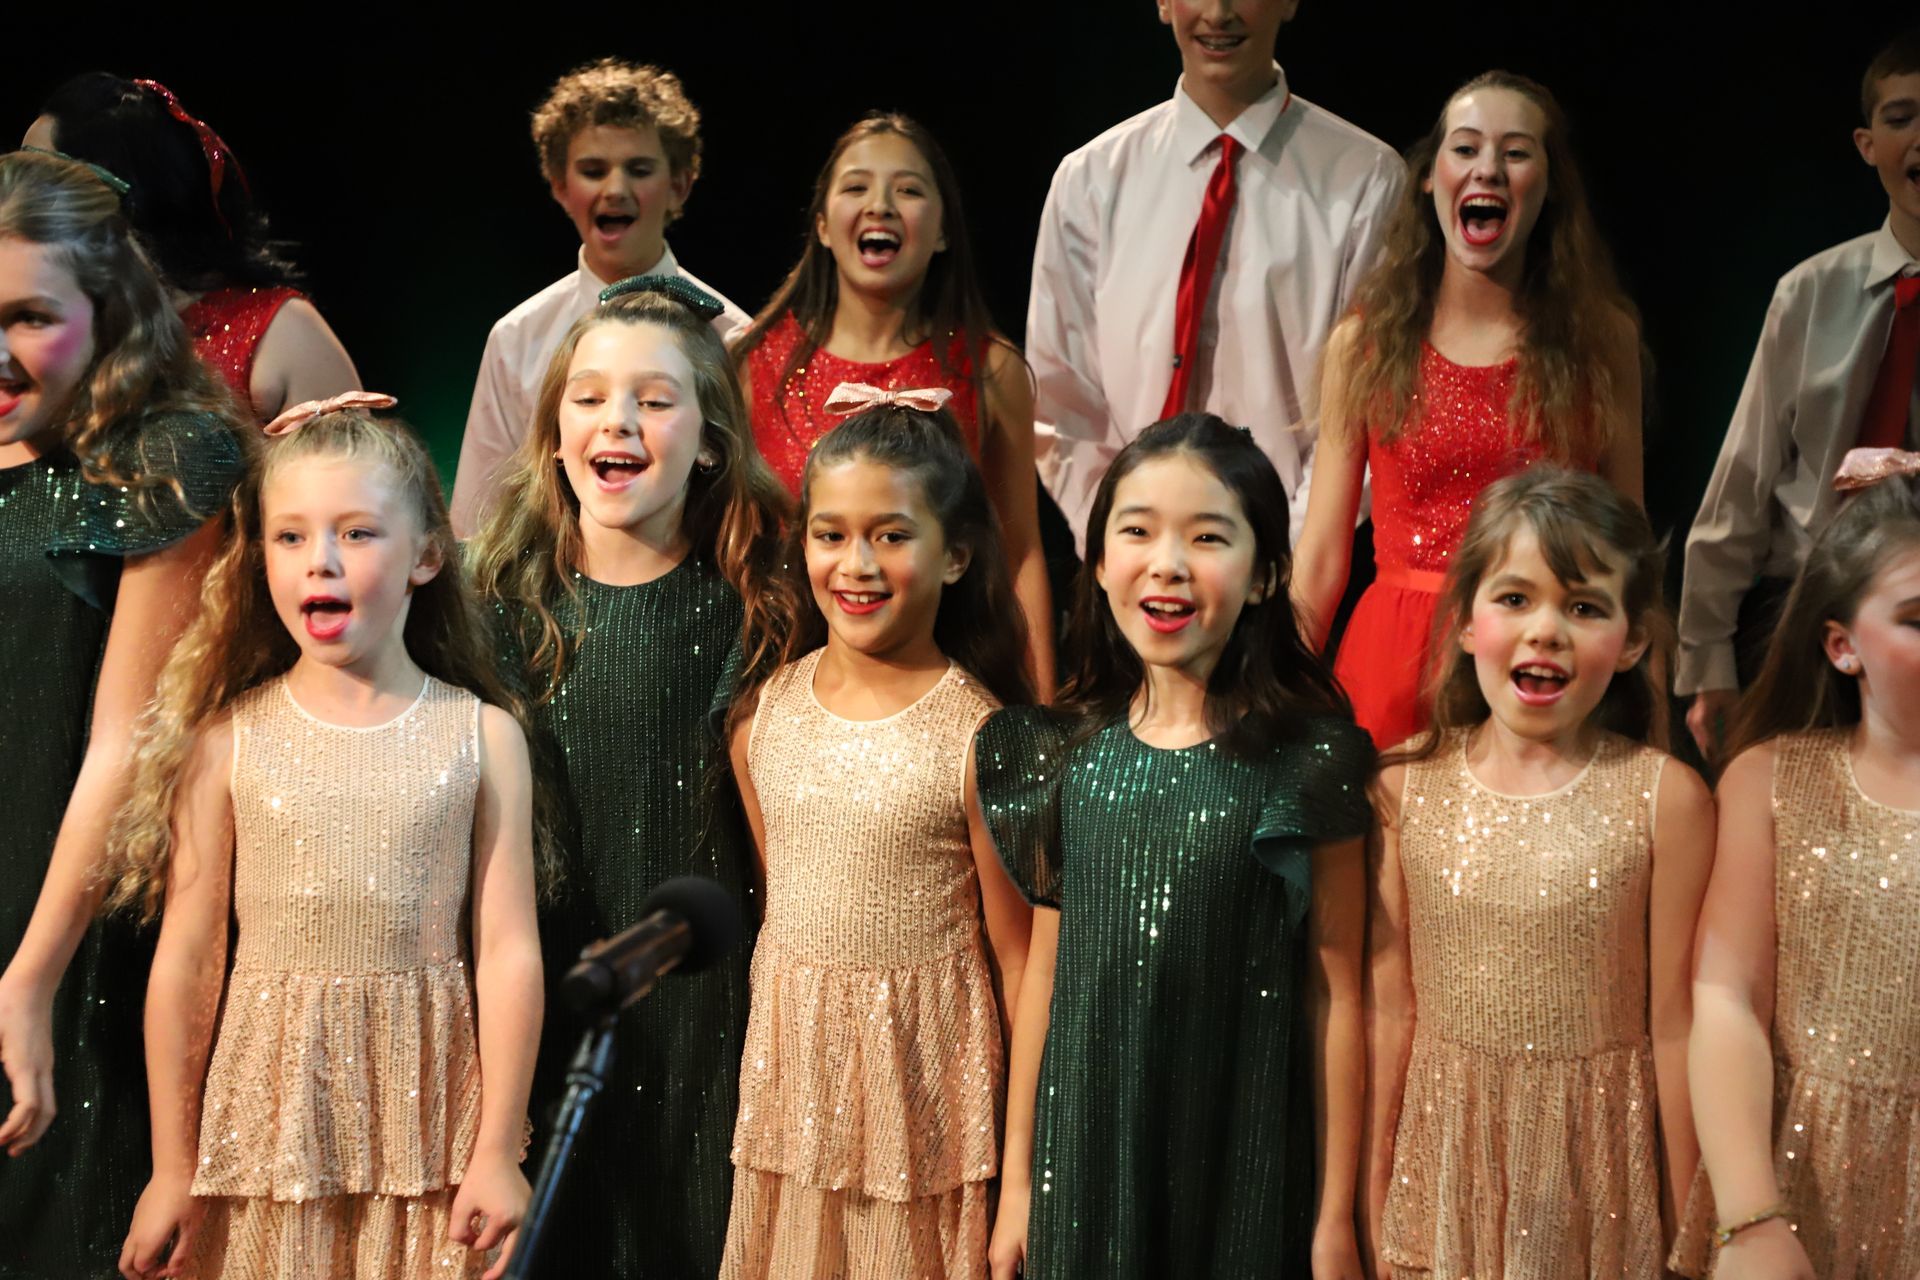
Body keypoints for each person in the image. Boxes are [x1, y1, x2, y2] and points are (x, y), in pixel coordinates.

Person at [112, 399, 542, 1280]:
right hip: (265, 1137)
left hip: (429, 1139)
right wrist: (170, 1167)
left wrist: (499, 1149)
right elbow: (189, 960)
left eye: (357, 533)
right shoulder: (226, 743)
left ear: (426, 555)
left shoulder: (482, 736)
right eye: (292, 537)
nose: (322, 561)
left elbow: (507, 952)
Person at [983, 414, 1374, 1279]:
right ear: (1097, 560)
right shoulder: (1066, 753)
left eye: (1207, 537)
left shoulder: (1307, 763)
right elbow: (1044, 980)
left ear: (1266, 574)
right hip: (1085, 1166)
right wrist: (1017, 1188)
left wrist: (1333, 1219)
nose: (1167, 563)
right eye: (1138, 531)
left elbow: (1337, 996)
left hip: (1238, 1163)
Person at [466, 274, 788, 1276]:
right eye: (591, 397)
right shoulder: (495, 605)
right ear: (555, 433)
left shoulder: (755, 609)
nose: (619, 421)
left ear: (711, 443)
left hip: (705, 1024)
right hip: (535, 1001)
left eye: (655, 400)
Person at [0, 148, 249, 1278]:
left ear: (107, 310)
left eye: (30, 317)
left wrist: (29, 977)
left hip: (71, 915)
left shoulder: (165, 457)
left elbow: (125, 742)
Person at [1366, 468, 1711, 1278]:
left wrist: (1693, 1232)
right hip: (1443, 1183)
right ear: (1465, 622)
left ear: (1632, 641)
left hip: (1599, 1188)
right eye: (1516, 598)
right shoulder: (1400, 789)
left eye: (1584, 607)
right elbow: (1389, 1016)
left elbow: (1676, 1028)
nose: (1546, 631)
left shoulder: (1666, 798)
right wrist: (1369, 1200)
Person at [720, 391, 1034, 1279]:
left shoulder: (980, 737)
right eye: (832, 534)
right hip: (792, 1122)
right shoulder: (763, 721)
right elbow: (781, 920)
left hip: (926, 1128)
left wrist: (1020, 1179)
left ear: (956, 554)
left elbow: (1020, 966)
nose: (856, 564)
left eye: (892, 535)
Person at [1292, 70, 1643, 751]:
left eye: (1515, 152)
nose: (1488, 169)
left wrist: (1649, 700)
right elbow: (1325, 551)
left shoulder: (1600, 342)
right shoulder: (1365, 344)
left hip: (1539, 655)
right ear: (1430, 178)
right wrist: (1271, 699)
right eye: (1466, 148)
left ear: (1550, 184)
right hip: (1395, 662)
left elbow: (1629, 541)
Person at [1025, 0, 1403, 556]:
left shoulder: (1365, 179)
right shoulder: (1091, 180)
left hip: (1287, 564)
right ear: (1163, 3)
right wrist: (1126, 540)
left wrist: (1275, 555)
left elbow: (1372, 403)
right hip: (1128, 571)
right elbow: (1063, 399)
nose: (1219, 13)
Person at [1672, 449, 1920, 1280]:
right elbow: (1727, 995)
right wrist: (1751, 1218)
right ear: (1844, 646)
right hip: (1803, 1188)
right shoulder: (1772, 781)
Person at [735, 113, 1054, 690]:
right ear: (822, 225)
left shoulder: (990, 369)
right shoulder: (754, 366)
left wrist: (1039, 706)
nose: (880, 205)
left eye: (907, 190)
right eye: (857, 187)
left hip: (945, 682)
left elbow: (1020, 553)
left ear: (943, 231)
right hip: (782, 677)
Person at [1677, 29, 1920, 762]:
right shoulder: (1810, 292)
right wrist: (1706, 656)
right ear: (1867, 144)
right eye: (1901, 117)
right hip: (1805, 614)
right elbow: (1743, 480)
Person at [452, 59, 749, 535]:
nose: (615, 189)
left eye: (639, 170)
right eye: (593, 170)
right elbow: (477, 521)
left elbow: (753, 508)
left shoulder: (733, 337)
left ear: (679, 186)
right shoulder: (517, 339)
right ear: (560, 186)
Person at [25, 73, 361, 421]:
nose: (12, 198)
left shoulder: (280, 334)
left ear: (114, 200)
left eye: (34, 180)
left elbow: (354, 456)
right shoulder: (52, 334)